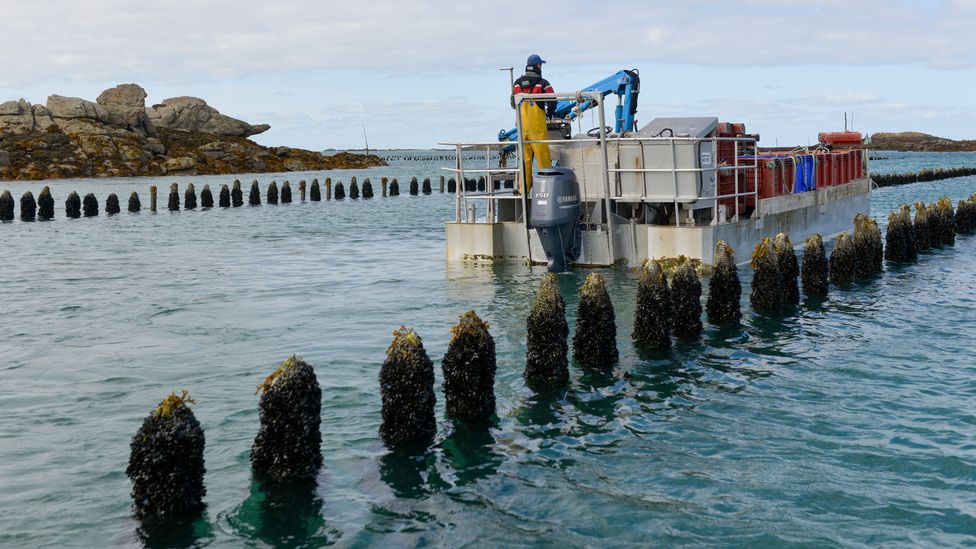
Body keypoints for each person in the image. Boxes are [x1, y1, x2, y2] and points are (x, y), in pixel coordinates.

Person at [512, 54, 557, 195]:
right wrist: (549, 113)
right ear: (538, 66)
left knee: (525, 160)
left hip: (522, 126)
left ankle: (523, 190)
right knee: (543, 159)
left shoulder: (517, 83)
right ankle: (546, 190)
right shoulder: (543, 83)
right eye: (541, 65)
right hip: (537, 127)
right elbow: (553, 100)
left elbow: (513, 103)